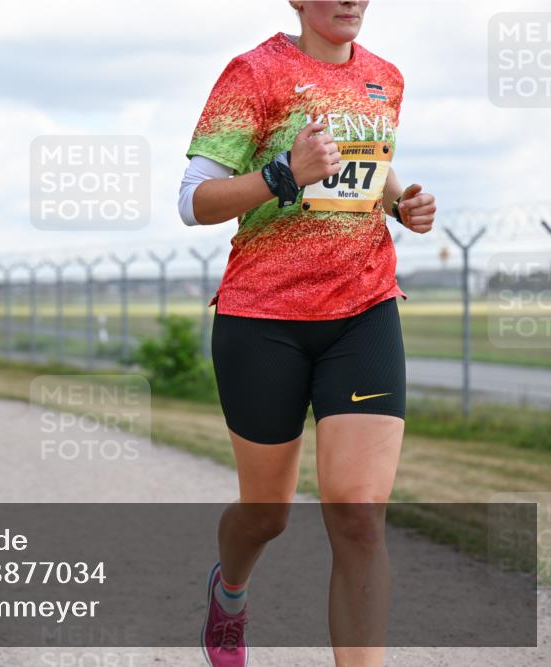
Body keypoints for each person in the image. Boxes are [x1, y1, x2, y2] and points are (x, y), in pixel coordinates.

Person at [178, 3, 437, 666]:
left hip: (363, 308)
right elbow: (194, 202)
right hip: (263, 317)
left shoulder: (387, 79)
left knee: (358, 512)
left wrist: (400, 201)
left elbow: (366, 174)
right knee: (267, 513)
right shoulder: (254, 73)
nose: (351, 0)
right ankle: (229, 592)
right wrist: (281, 173)